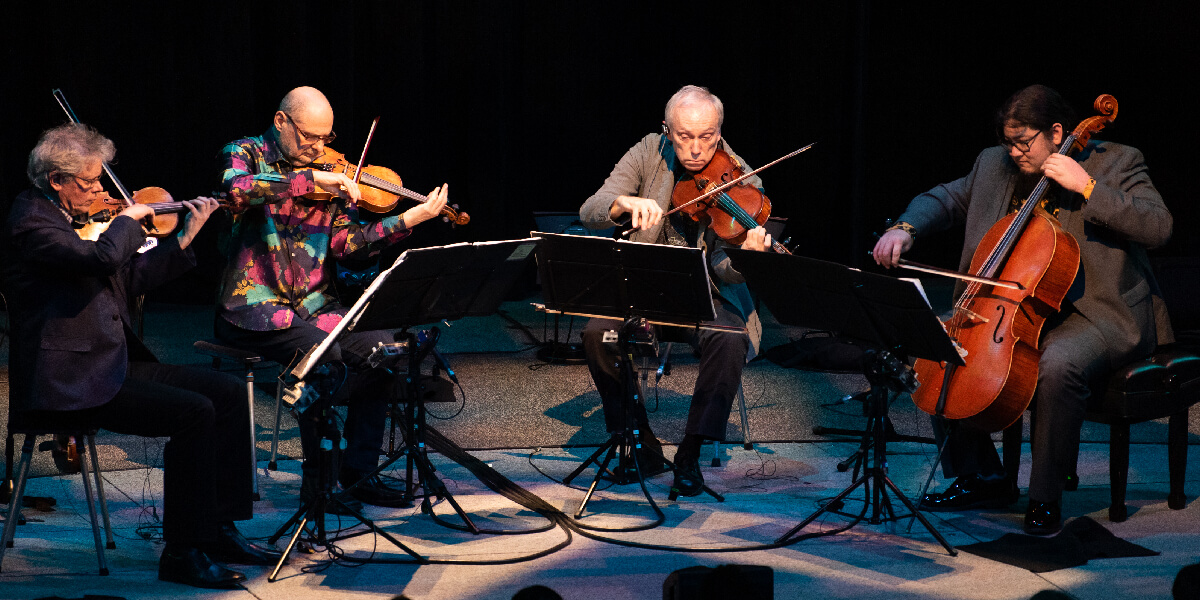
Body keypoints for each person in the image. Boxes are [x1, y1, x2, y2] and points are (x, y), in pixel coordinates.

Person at [873, 84, 1173, 534]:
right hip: (1017, 304)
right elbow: (945, 198)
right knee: (938, 346)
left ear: (1056, 132)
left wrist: (1087, 186)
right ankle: (982, 475)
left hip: (1096, 311)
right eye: (1007, 142)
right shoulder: (993, 163)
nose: (1013, 152)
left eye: (1023, 142)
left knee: (1059, 364)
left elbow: (1159, 226)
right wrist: (905, 228)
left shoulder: (1117, 160)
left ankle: (1045, 496)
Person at [1, 123, 282, 589]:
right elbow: (100, 261)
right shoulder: (31, 221)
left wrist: (185, 237)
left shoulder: (71, 222)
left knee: (228, 392)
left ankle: (217, 529)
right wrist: (129, 220)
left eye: (98, 183)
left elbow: (125, 280)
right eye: (89, 183)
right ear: (55, 179)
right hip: (69, 378)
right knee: (195, 413)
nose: (98, 192)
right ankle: (183, 551)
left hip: (108, 363)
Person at [214, 86, 450, 513]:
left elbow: (347, 245)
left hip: (316, 305)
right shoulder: (246, 151)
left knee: (384, 351)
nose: (319, 148)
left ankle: (358, 474)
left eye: (326, 139)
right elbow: (238, 191)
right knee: (324, 360)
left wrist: (407, 219)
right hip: (254, 308)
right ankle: (319, 488)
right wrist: (309, 179)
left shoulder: (332, 173)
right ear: (281, 121)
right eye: (309, 138)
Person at [578, 85, 772, 497]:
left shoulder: (740, 177)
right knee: (598, 334)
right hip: (641, 288)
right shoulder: (649, 150)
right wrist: (625, 204)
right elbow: (591, 209)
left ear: (719, 132)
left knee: (730, 336)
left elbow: (726, 270)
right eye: (685, 137)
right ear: (667, 130)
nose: (697, 149)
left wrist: (745, 256)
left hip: (707, 293)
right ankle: (642, 445)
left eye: (707, 137)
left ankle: (691, 452)